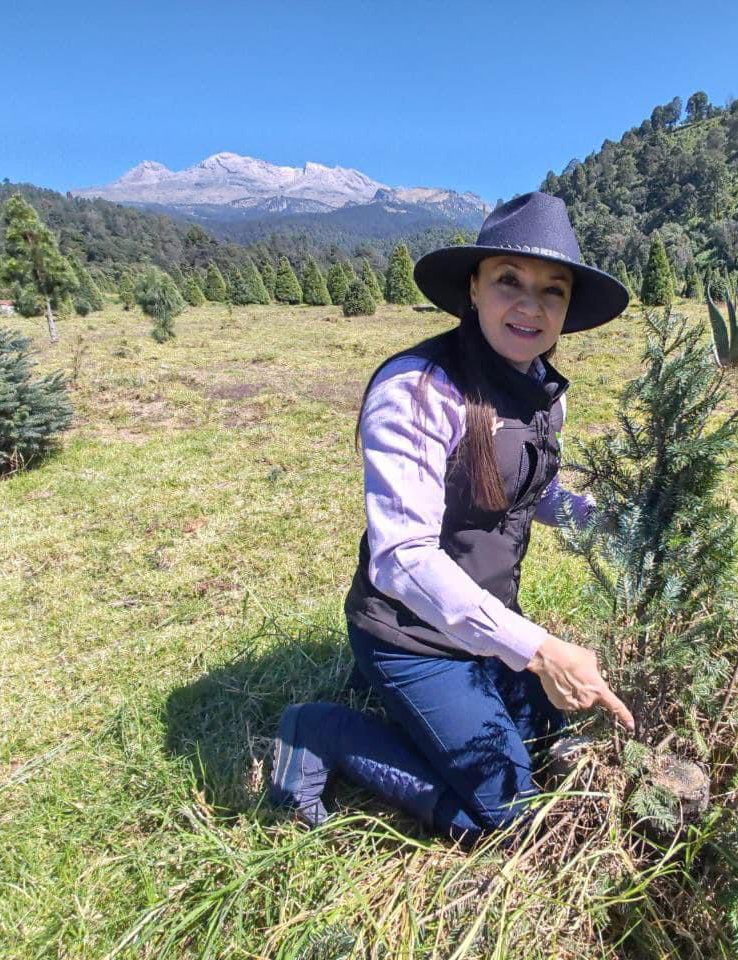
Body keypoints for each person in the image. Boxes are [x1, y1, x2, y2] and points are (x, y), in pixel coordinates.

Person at [269, 192, 635, 844]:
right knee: (516, 822)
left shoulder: (544, 393)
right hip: (413, 636)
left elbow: (530, 494)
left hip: (490, 627)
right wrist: (541, 649)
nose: (531, 306)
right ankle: (324, 729)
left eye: (553, 290)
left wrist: (610, 523)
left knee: (549, 742)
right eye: (508, 282)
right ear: (472, 288)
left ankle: (455, 712)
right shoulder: (417, 391)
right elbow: (402, 559)